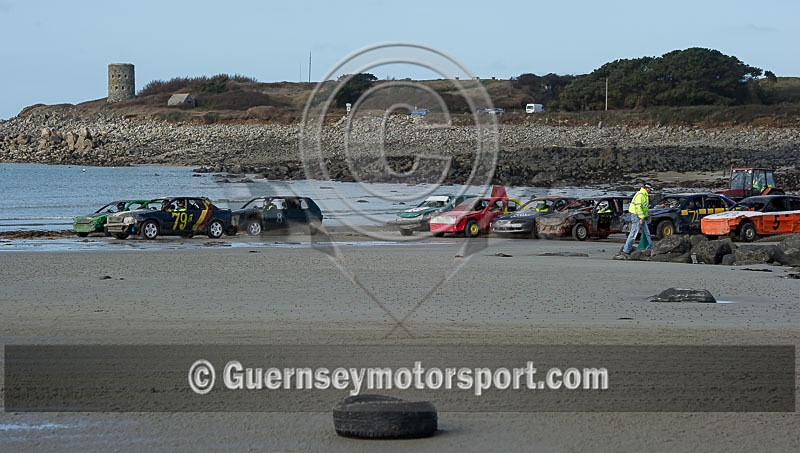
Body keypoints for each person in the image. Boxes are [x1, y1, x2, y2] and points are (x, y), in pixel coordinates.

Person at [620, 183, 653, 258]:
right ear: (646, 188)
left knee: (647, 233)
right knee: (633, 233)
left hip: (642, 217)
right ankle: (626, 250)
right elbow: (639, 208)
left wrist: (644, 216)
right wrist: (641, 218)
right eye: (650, 189)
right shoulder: (640, 195)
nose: (650, 191)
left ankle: (649, 248)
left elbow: (644, 208)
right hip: (637, 216)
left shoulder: (645, 195)